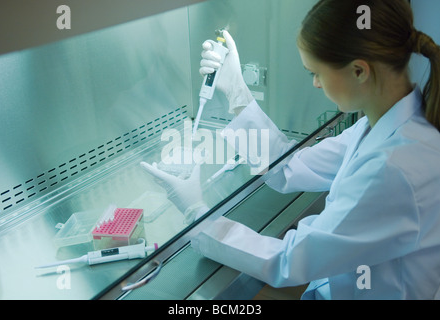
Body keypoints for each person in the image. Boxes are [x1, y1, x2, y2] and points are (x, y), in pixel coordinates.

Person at [143, 0, 440, 299]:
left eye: (317, 73)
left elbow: (290, 260)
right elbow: (290, 168)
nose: (315, 84)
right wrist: (237, 91)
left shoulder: (396, 168)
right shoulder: (380, 126)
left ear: (359, 71)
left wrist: (198, 215)